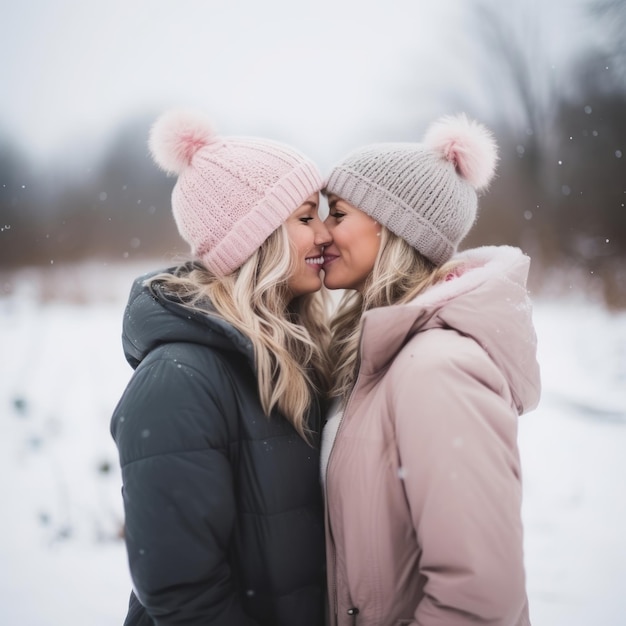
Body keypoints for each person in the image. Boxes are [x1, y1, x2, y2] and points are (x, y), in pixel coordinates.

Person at [110, 109, 332, 626]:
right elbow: (183, 595)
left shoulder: (295, 357)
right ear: (256, 241)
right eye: (304, 218)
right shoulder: (179, 381)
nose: (324, 235)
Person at [320, 114, 541, 625]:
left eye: (340, 213)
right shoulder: (378, 357)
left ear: (391, 226)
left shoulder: (438, 367)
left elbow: (479, 598)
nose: (323, 233)